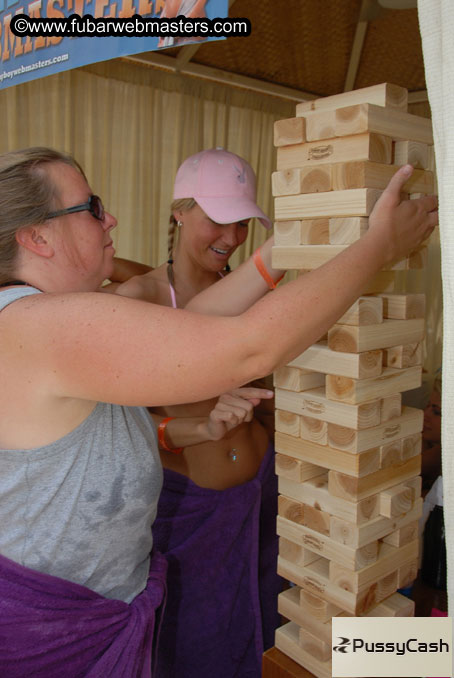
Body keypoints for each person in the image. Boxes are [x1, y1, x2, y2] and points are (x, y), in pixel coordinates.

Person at [0, 146, 437, 678]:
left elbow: (197, 320)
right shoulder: (37, 326)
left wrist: (289, 246)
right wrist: (377, 247)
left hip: (95, 612)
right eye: (90, 206)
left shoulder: (41, 320)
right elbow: (247, 348)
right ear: (36, 236)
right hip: (59, 634)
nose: (109, 217)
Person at [110, 148, 284, 678]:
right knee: (193, 653)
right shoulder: (136, 301)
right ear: (179, 210)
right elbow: (126, 428)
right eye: (217, 220)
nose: (231, 238)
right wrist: (199, 428)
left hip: (265, 494)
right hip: (191, 515)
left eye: (242, 224)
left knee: (276, 634)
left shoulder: (255, 295)